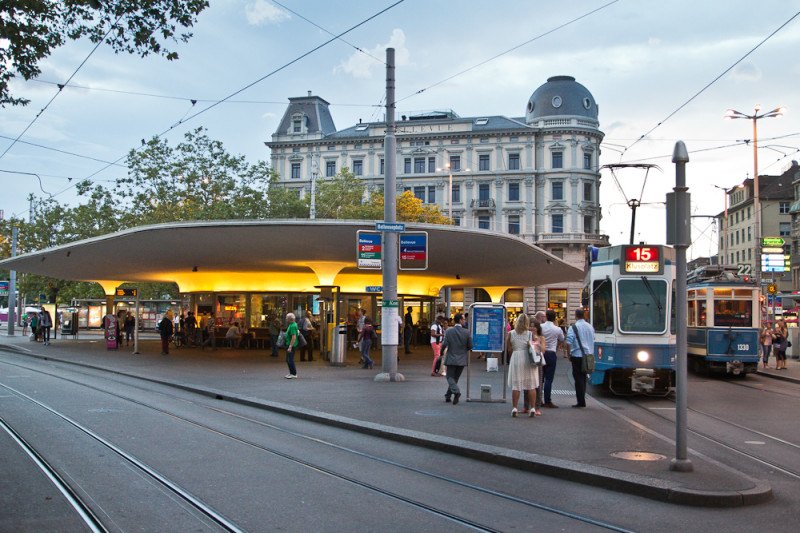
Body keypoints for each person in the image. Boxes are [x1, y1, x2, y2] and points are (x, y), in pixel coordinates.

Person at [507, 314, 540, 417]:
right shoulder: (530, 334)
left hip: (516, 357)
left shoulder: (511, 333)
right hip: (527, 358)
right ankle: (533, 408)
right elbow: (535, 347)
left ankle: (514, 407)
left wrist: (514, 354)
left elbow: (509, 349)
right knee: (531, 385)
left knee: (516, 385)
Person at [440, 312, 472, 405]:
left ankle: (456, 392)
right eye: (464, 319)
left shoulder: (449, 331)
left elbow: (444, 344)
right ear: (460, 320)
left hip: (451, 357)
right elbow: (470, 345)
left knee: (449, 377)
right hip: (462, 359)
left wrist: (441, 352)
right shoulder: (466, 332)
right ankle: (448, 396)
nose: (465, 321)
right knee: (455, 378)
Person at [566, 308, 594, 408]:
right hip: (588, 355)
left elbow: (569, 342)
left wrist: (569, 354)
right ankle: (582, 397)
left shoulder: (573, 327)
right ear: (585, 315)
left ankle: (581, 401)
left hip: (577, 355)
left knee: (578, 378)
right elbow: (593, 339)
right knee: (584, 377)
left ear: (575, 316)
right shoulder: (590, 327)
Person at [539, 309, 565, 408]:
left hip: (541, 353)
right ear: (555, 318)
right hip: (551, 353)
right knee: (549, 379)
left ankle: (538, 399)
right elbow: (562, 339)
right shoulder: (557, 329)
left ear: (546, 317)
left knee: (540, 378)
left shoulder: (541, 327)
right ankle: (548, 400)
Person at [284, 313, 299, 378]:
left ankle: (293, 373)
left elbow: (294, 337)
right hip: (290, 343)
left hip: (291, 344)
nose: (286, 319)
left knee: (290, 359)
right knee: (288, 359)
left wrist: (290, 346)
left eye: (287, 318)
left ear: (290, 319)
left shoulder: (292, 326)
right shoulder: (293, 324)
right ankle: (291, 373)